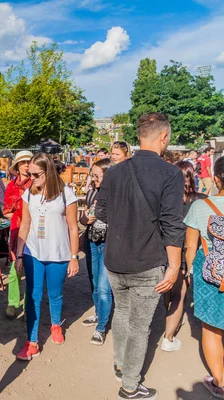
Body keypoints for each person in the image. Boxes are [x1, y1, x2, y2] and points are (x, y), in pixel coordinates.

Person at [96, 112, 185, 400]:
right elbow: (173, 223)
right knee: (139, 324)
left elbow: (101, 213)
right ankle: (130, 385)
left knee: (122, 314)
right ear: (164, 137)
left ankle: (121, 364)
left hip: (115, 258)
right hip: (146, 260)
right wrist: (174, 265)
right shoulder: (171, 174)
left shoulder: (113, 172)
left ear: (139, 137)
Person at [14, 152, 79, 361]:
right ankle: (32, 341)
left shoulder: (65, 193)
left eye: (35, 174)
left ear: (48, 172)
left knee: (55, 294)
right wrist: (19, 254)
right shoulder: (28, 193)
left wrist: (74, 256)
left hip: (58, 253)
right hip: (33, 252)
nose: (31, 178)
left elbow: (73, 227)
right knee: (32, 296)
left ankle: (56, 324)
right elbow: (25, 224)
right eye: (29, 174)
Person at [184, 156, 224, 398]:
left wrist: (189, 272)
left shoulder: (201, 207)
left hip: (211, 274)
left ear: (216, 178)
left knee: (211, 329)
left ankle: (220, 382)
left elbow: (190, 247)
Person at [159, 161, 206, 352]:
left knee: (168, 292)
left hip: (164, 252)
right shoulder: (201, 200)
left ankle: (169, 321)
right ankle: (168, 337)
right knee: (179, 295)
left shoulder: (165, 198)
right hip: (185, 254)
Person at [80, 158, 114, 346]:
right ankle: (99, 313)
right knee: (94, 282)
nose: (92, 179)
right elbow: (83, 218)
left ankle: (101, 328)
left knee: (103, 287)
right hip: (92, 241)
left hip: (109, 244)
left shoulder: (117, 195)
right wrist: (86, 219)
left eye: (96, 175)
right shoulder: (92, 192)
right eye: (92, 175)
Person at [2, 150, 33, 319]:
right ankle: (13, 303)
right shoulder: (11, 186)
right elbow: (6, 210)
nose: (26, 165)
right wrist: (19, 215)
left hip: (35, 231)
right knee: (15, 269)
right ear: (18, 166)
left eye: (28, 161)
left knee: (31, 270)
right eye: (23, 162)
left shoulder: (37, 184)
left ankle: (29, 305)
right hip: (16, 231)